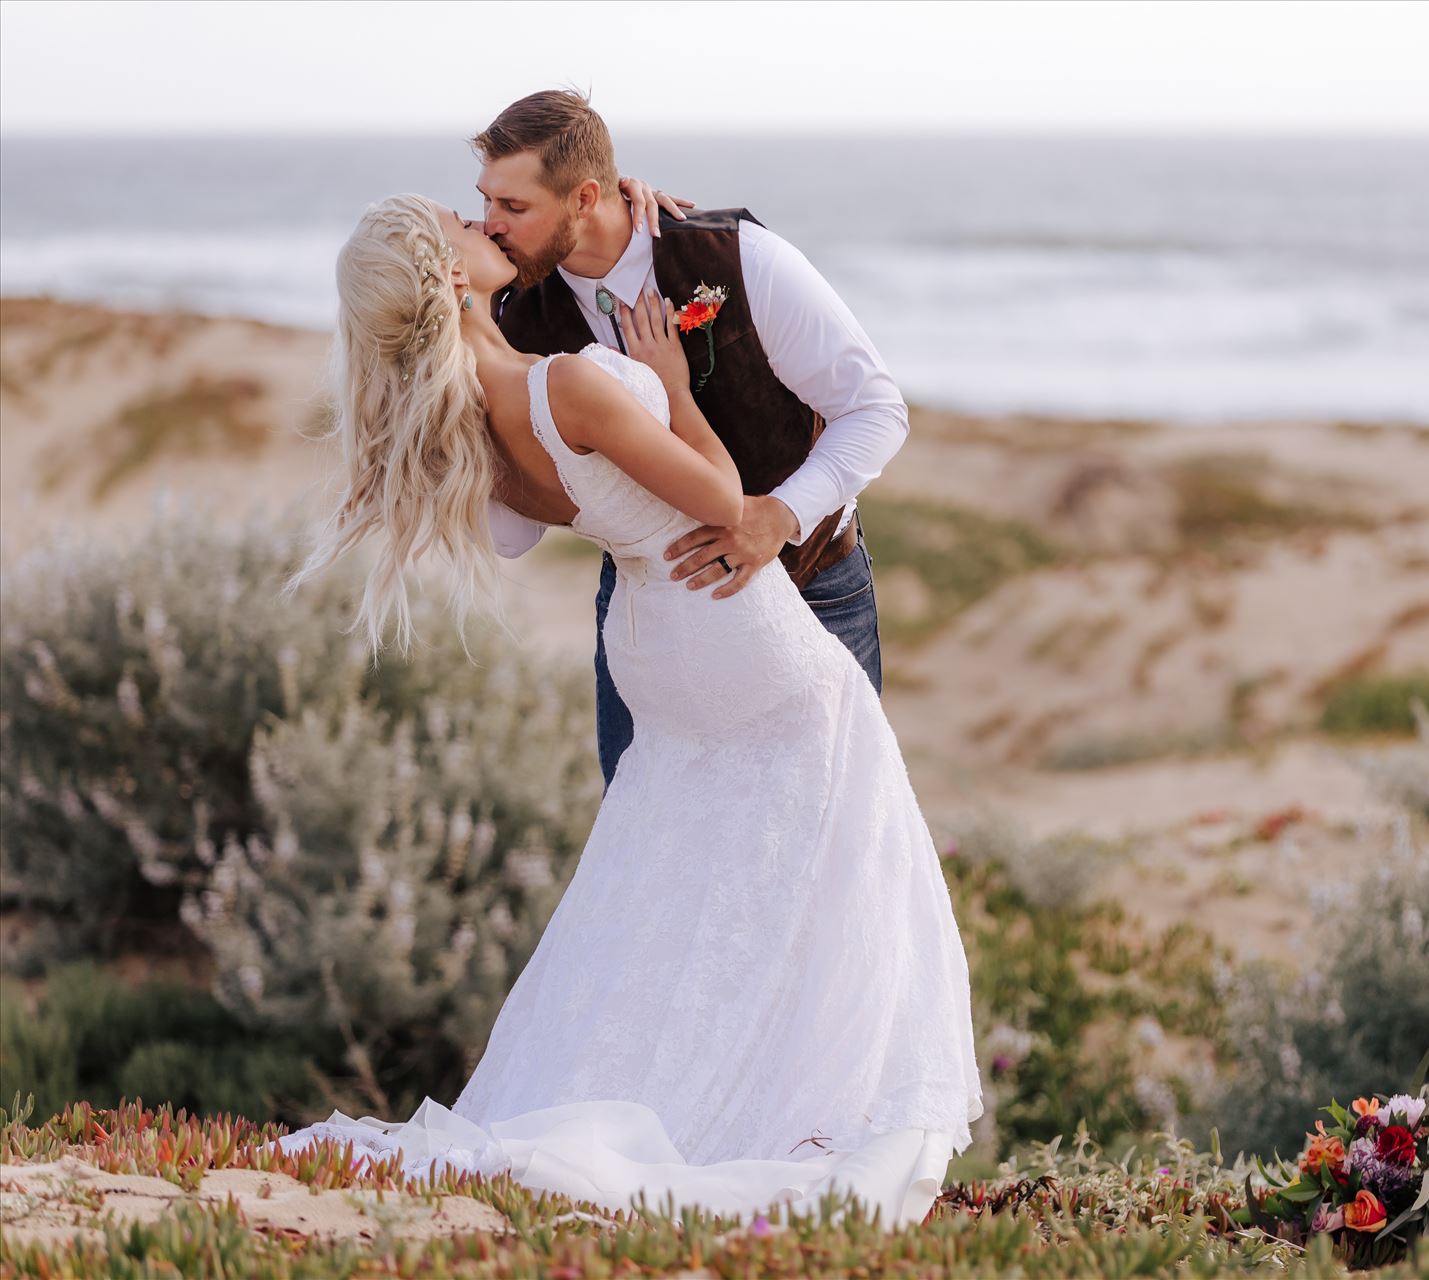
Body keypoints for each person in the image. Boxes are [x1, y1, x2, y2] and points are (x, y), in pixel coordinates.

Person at [267, 189, 982, 1231]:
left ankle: (698, 1083)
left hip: (650, 641)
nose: (485, 224)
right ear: (451, 277)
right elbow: (726, 505)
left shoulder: (474, 408)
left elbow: (540, 520)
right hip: (731, 630)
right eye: (464, 223)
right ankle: (787, 1110)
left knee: (665, 877)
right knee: (832, 862)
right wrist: (673, 386)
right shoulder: (563, 385)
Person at [474, 89, 905, 791]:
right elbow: (513, 536)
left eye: (513, 208)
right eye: (486, 202)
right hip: (651, 625)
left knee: (834, 840)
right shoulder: (515, 323)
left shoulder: (736, 258)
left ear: (586, 198)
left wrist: (782, 516)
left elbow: (876, 409)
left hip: (812, 589)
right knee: (655, 850)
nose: (491, 226)